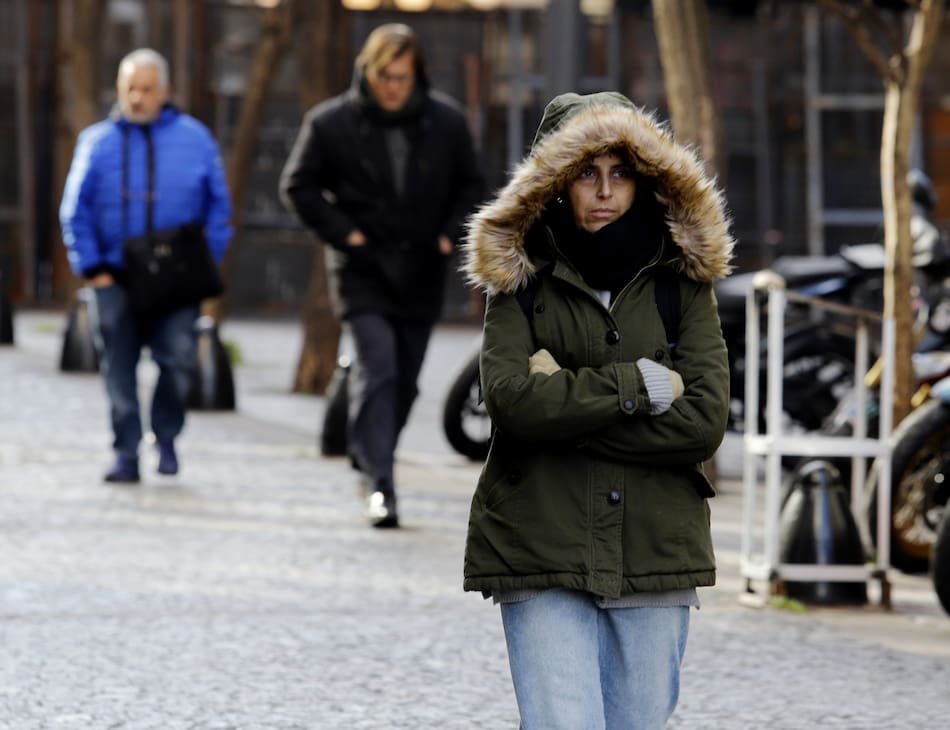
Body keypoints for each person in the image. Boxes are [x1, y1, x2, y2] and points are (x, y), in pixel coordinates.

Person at [461, 91, 734, 729]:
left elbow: (702, 422)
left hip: (654, 549)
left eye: (621, 173)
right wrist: (638, 386)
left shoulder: (683, 281)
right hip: (540, 541)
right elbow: (509, 401)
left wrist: (565, 408)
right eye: (586, 173)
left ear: (645, 180)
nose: (605, 191)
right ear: (555, 183)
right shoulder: (517, 281)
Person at [279, 23, 484, 528]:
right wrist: (343, 233)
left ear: (417, 75)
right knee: (380, 367)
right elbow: (297, 186)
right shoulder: (330, 123)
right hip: (361, 269)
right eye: (383, 75)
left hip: (420, 270)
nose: (392, 86)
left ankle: (368, 449)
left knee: (407, 379)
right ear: (367, 72)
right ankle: (380, 483)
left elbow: (473, 187)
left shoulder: (447, 123)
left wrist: (446, 235)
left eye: (402, 76)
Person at [60, 48, 233, 484]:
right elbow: (74, 210)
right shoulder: (97, 141)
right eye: (129, 88)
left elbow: (219, 207)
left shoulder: (196, 139)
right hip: (113, 275)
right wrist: (92, 267)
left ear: (166, 91)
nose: (137, 98)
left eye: (146, 89)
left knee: (178, 362)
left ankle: (167, 435)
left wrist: (204, 261)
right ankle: (126, 452)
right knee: (118, 366)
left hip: (177, 278)